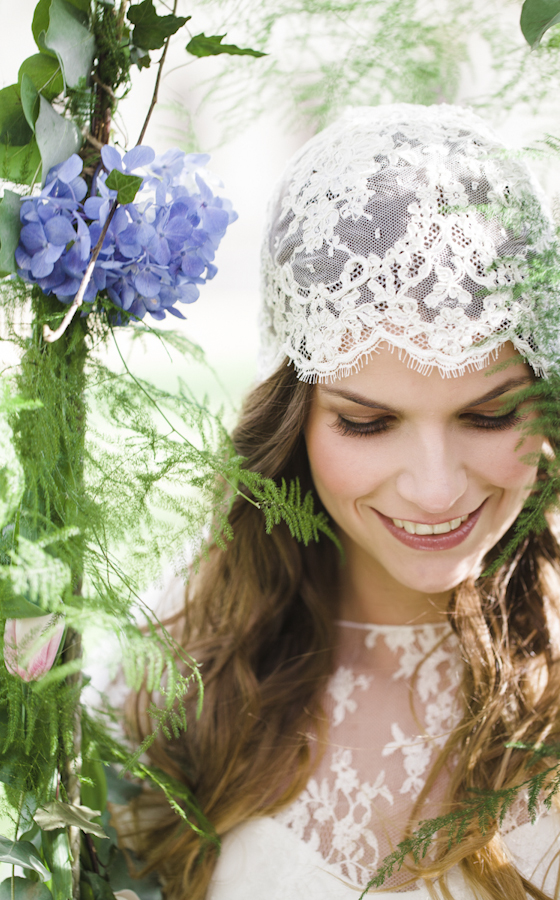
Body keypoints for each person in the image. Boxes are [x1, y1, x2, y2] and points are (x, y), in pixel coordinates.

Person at [118, 104, 560, 899]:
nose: (435, 487)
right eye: (367, 422)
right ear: (294, 421)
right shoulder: (181, 667)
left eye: (488, 415)